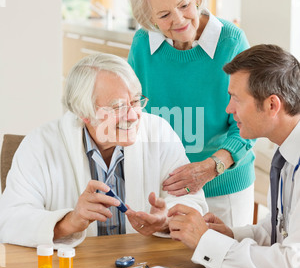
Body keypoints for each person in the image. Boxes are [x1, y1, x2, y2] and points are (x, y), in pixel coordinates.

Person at [0, 53, 207, 248]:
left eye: (135, 101)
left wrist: (165, 220)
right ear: (84, 113)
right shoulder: (40, 144)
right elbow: (9, 220)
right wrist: (70, 221)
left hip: (145, 267)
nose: (134, 116)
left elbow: (192, 201)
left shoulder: (159, 133)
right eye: (117, 107)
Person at [128, 0, 255, 227]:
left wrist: (211, 167)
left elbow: (248, 124)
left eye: (184, 5)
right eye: (163, 15)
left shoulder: (231, 42)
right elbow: (131, 110)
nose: (179, 20)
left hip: (223, 188)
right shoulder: (142, 44)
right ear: (149, 20)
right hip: (165, 189)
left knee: (225, 264)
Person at [168, 44, 300, 268]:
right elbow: (279, 231)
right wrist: (229, 235)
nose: (229, 109)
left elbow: (294, 263)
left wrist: (208, 243)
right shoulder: (286, 152)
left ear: (272, 105)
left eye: (236, 99)